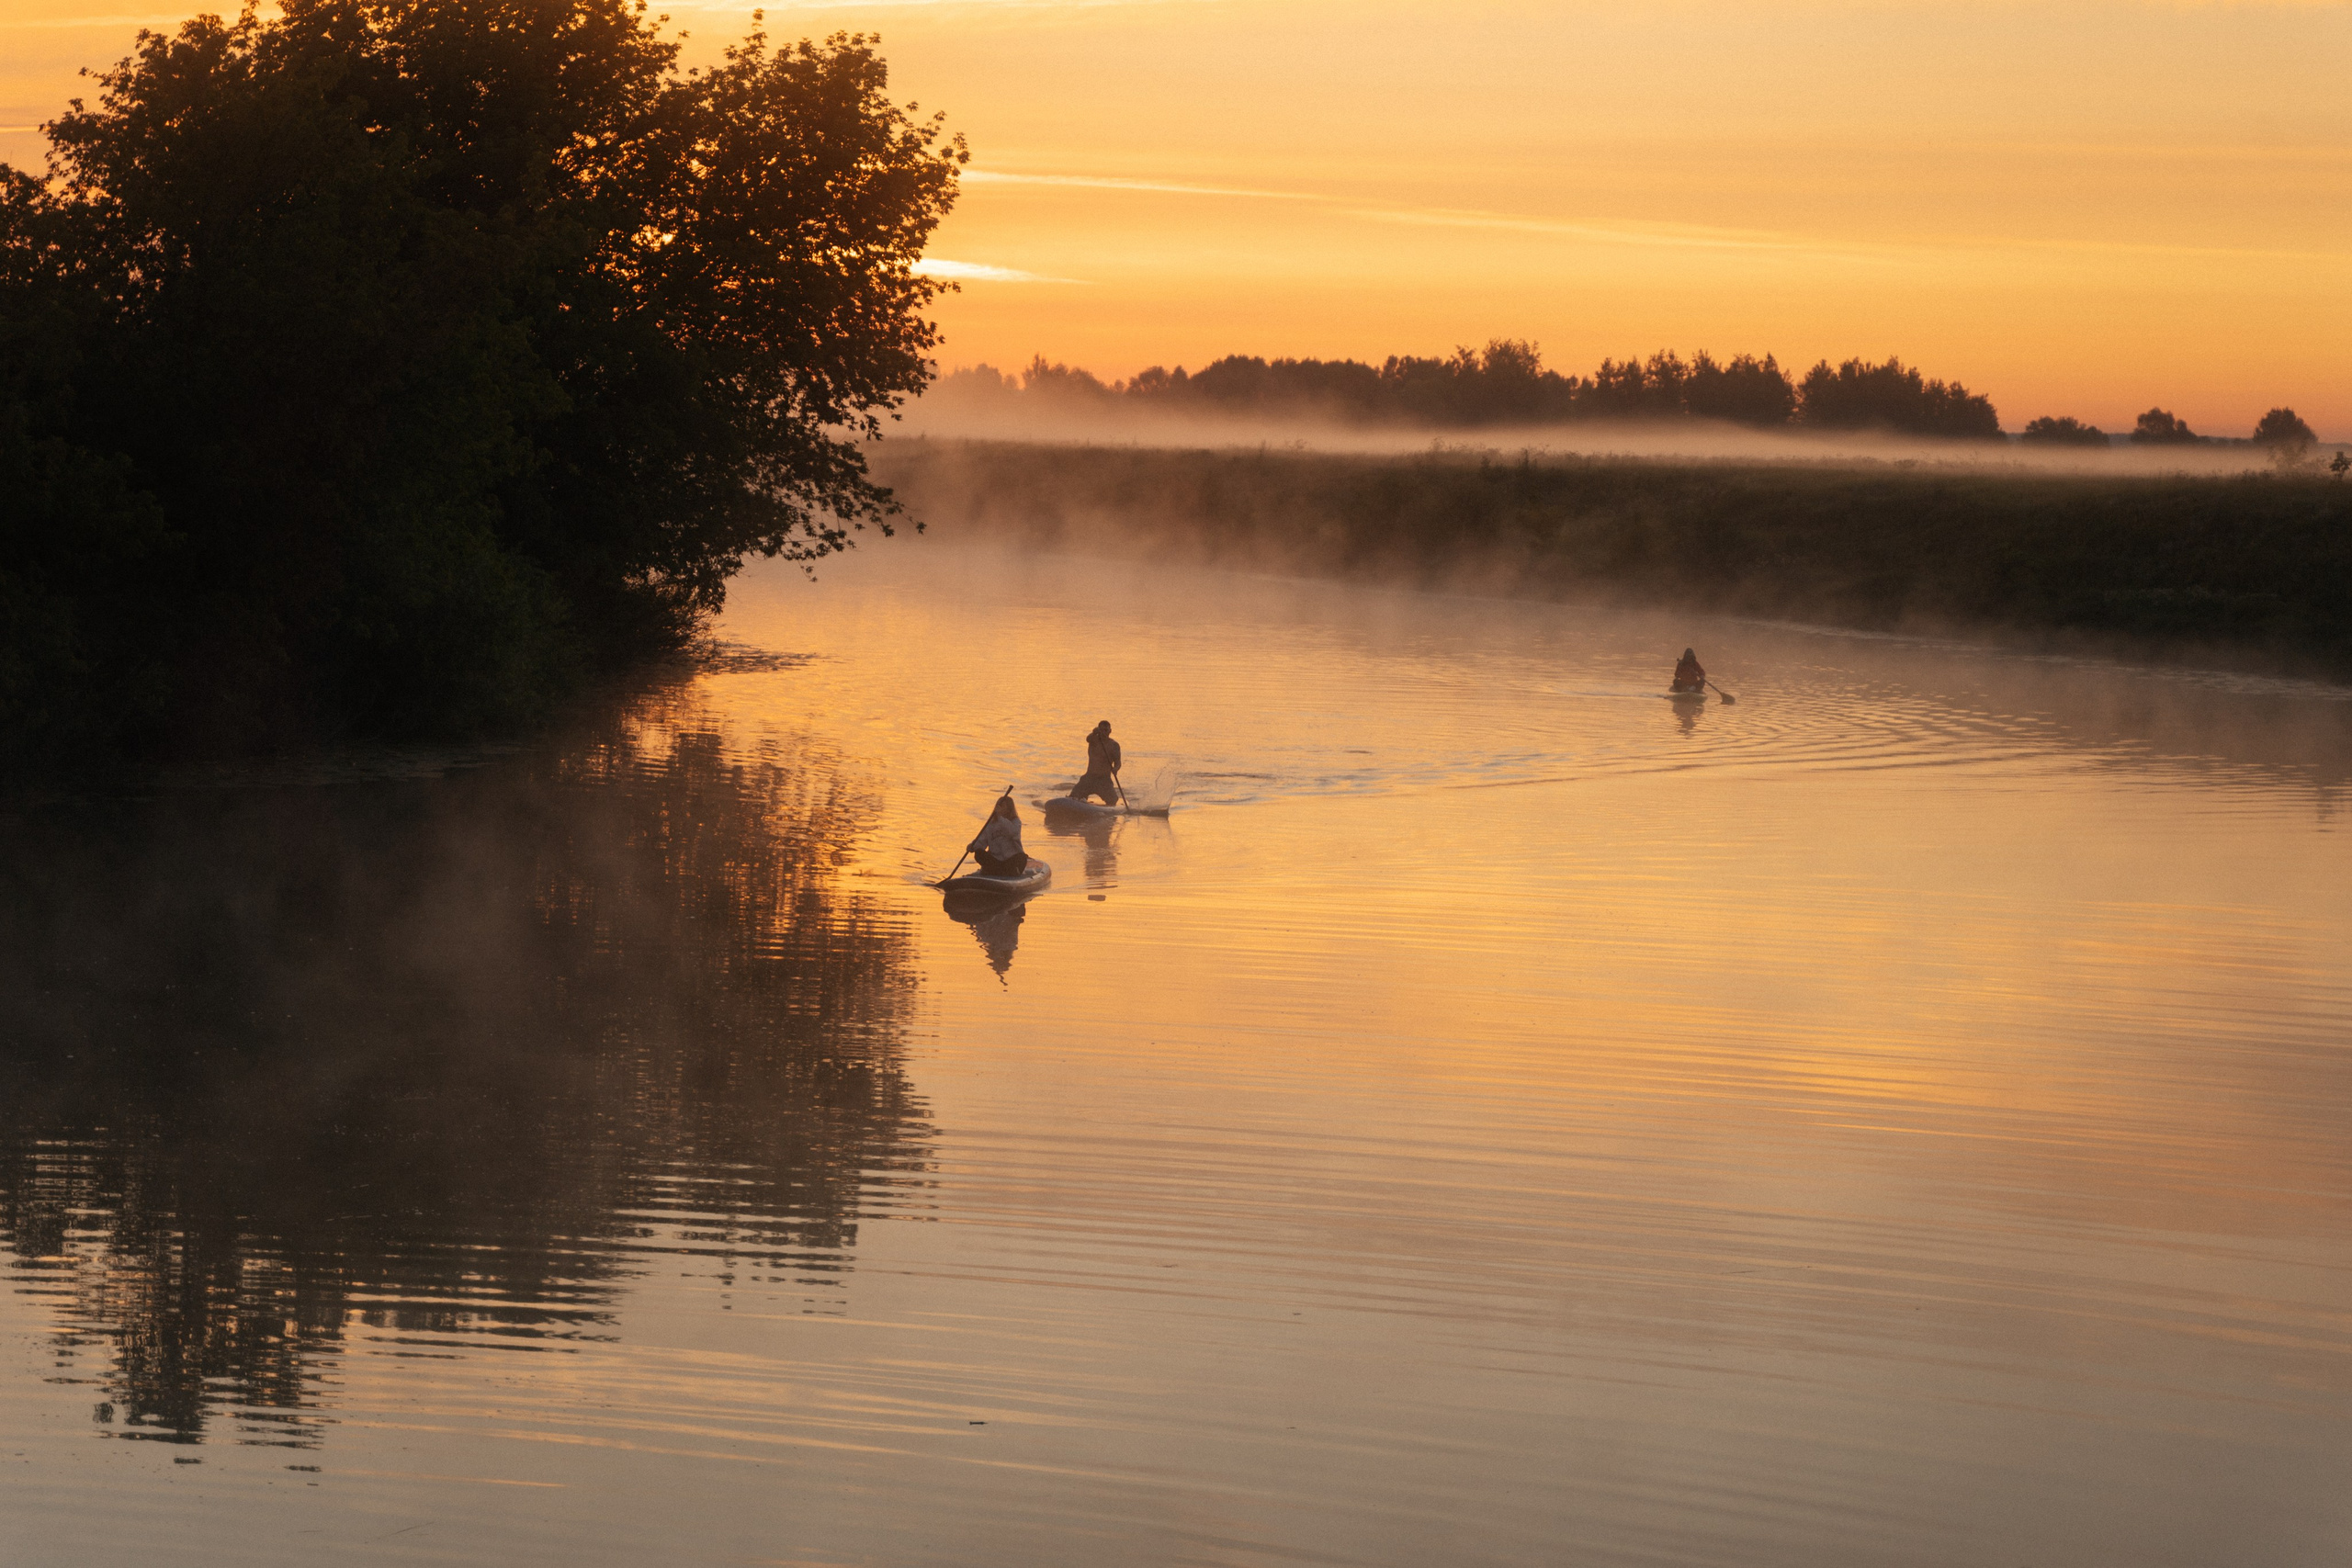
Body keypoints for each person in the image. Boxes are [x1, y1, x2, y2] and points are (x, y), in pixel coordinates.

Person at [968, 792, 1027, 876]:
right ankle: (995, 870)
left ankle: (1009, 871)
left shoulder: (1015, 822)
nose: (999, 809)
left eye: (1002, 806)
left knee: (1021, 858)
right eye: (998, 806)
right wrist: (973, 846)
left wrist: (1000, 817)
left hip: (1011, 860)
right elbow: (981, 841)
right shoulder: (991, 824)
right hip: (996, 861)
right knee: (979, 853)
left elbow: (1013, 833)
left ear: (1009, 809)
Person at [1072, 720, 1122, 805]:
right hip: (1089, 778)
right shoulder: (1093, 740)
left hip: (1104, 780)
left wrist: (1115, 769)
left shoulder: (1114, 745)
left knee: (1113, 801)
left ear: (1110, 731)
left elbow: (1118, 762)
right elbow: (1088, 738)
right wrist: (1094, 732)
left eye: (1106, 730)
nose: (1104, 733)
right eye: (1101, 730)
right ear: (1099, 730)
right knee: (1074, 797)